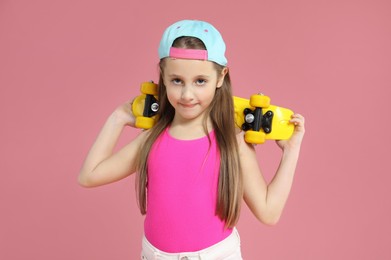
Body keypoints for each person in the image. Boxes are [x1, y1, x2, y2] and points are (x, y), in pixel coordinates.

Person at [78, 19, 305, 259]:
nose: (187, 94)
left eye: (200, 81)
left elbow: (269, 212)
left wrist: (291, 152)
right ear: (163, 78)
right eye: (177, 81)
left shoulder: (233, 143)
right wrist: (118, 117)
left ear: (220, 77)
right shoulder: (151, 140)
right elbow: (89, 175)